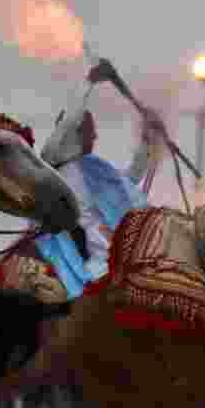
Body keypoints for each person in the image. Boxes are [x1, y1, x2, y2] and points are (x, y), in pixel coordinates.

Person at [38, 60, 163, 299]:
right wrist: (89, 83)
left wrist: (147, 140)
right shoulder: (51, 159)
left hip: (111, 253)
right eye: (90, 130)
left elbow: (129, 180)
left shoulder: (94, 168)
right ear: (74, 133)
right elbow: (69, 121)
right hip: (75, 258)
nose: (95, 136)